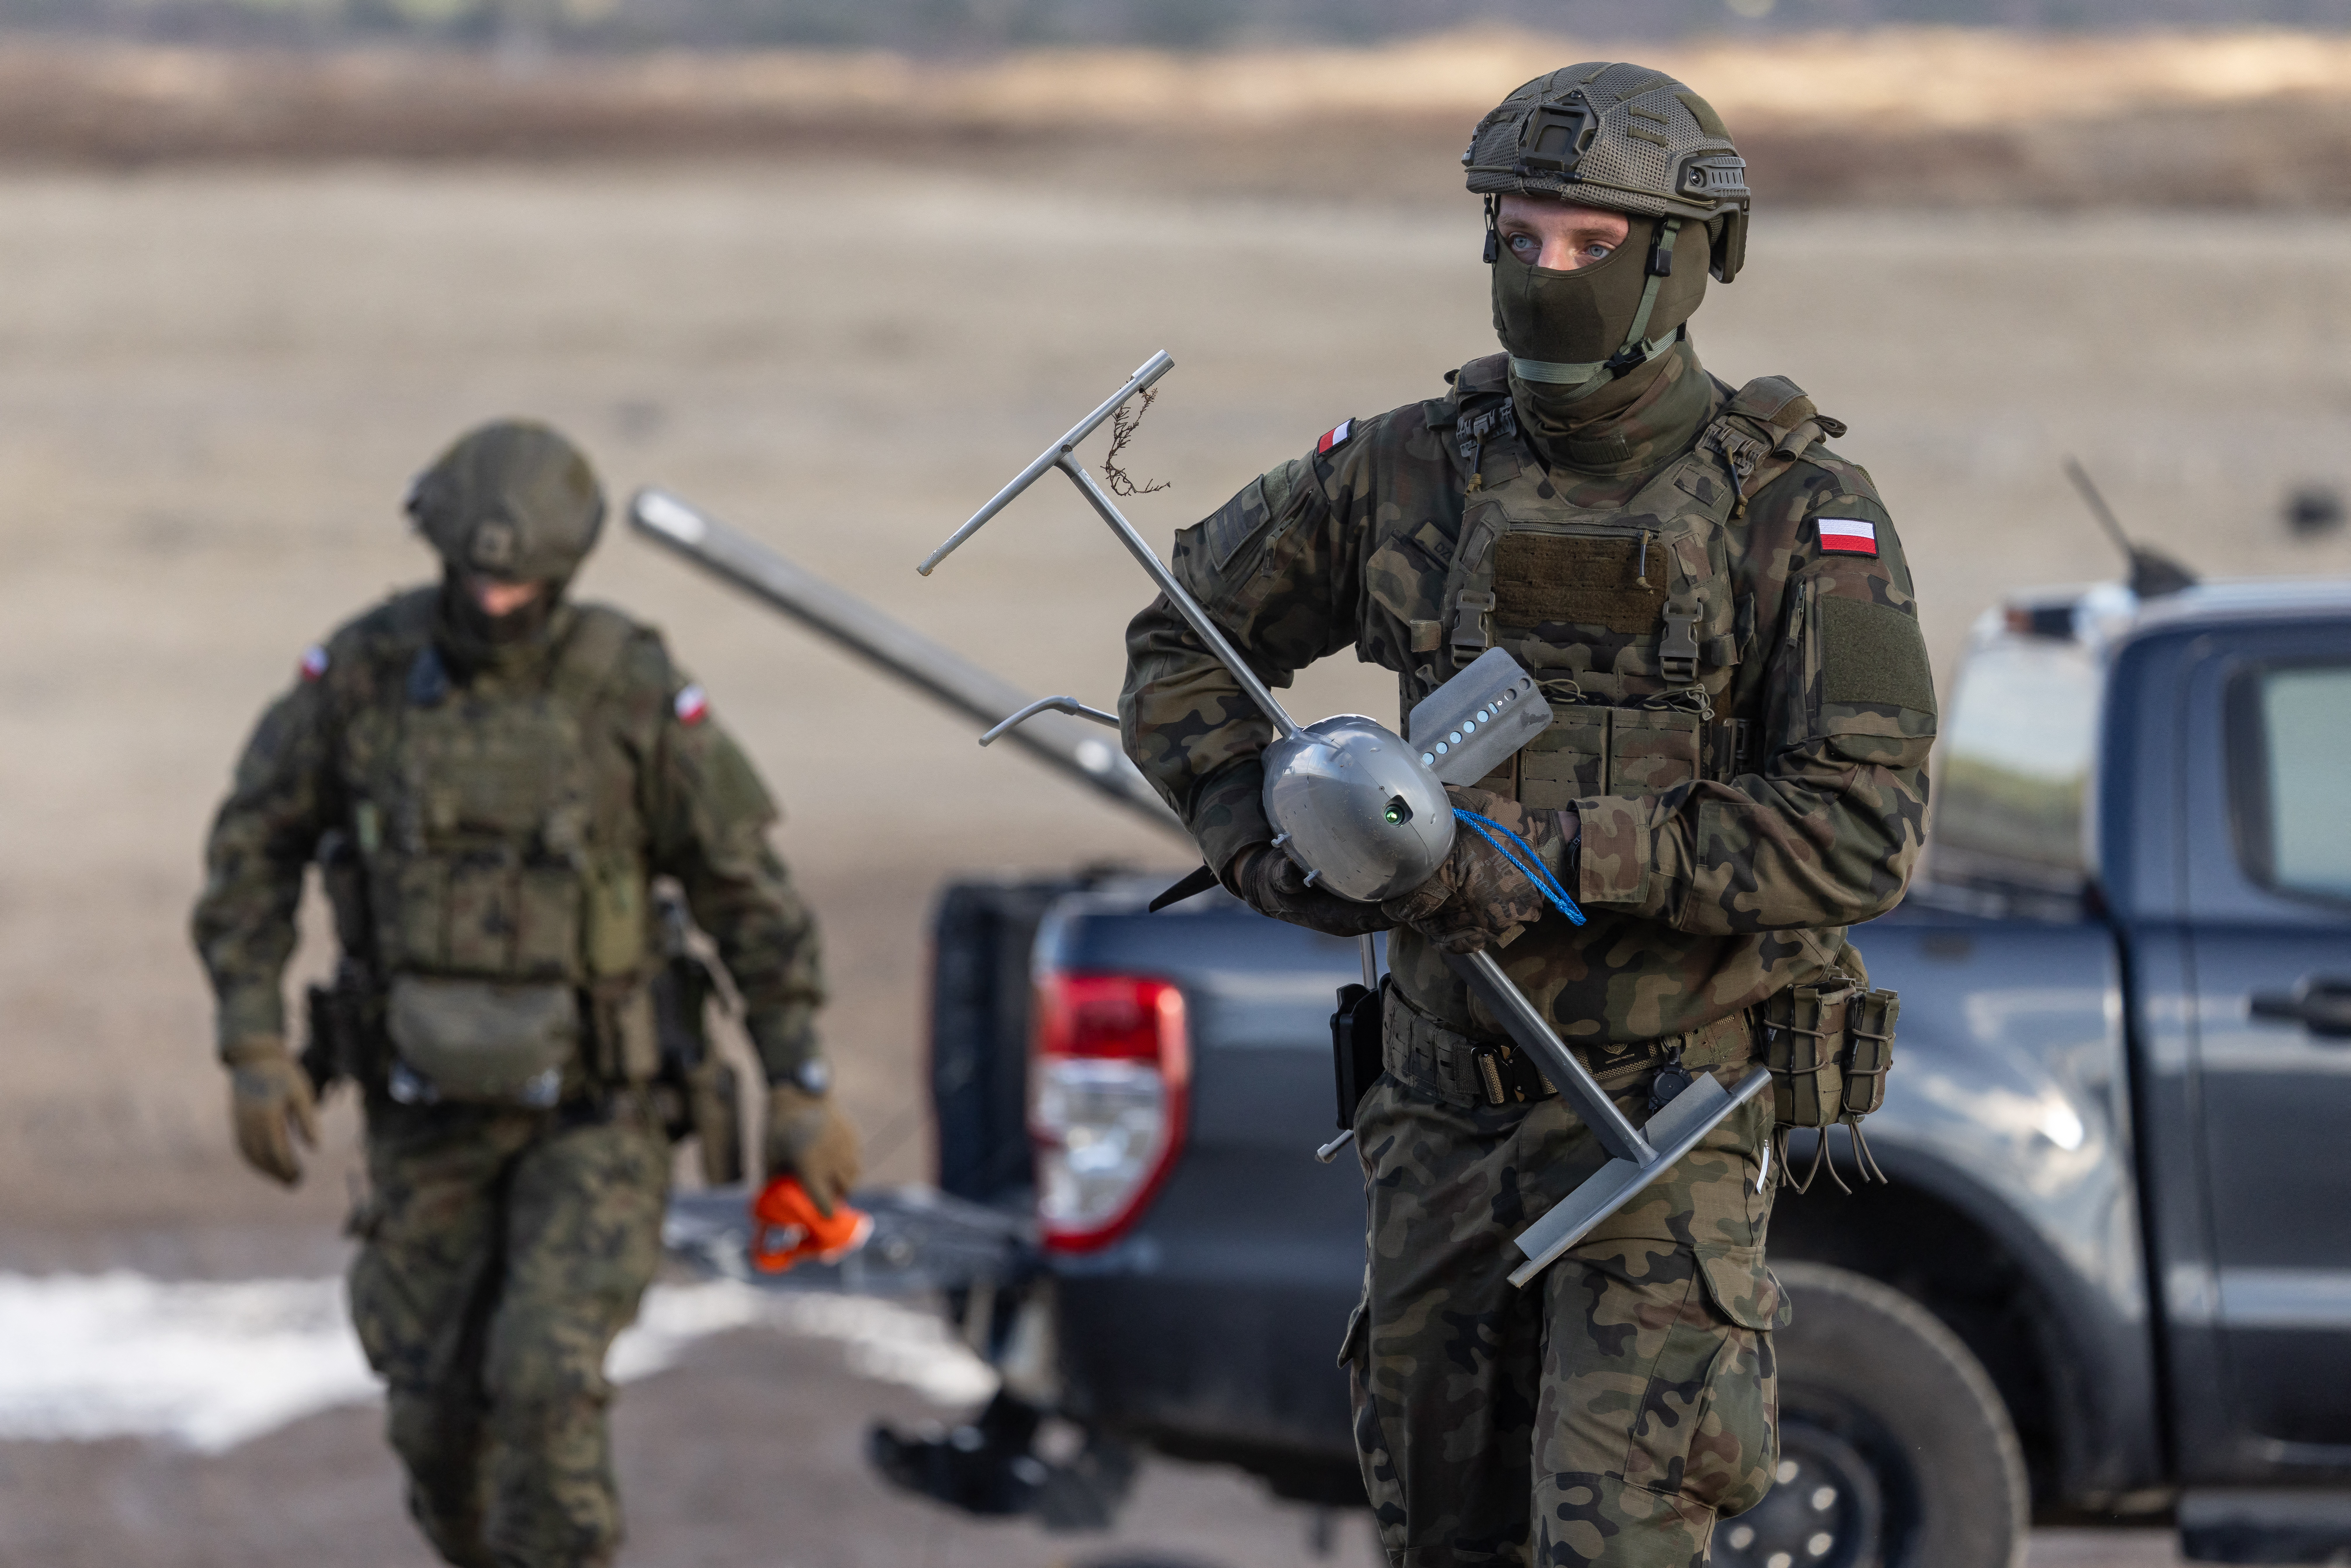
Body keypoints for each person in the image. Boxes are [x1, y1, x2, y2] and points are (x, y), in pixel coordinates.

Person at [1119, 64, 1936, 1567]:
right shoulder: (1401, 470)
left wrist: (1555, 855)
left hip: (1659, 1126)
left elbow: (1862, 827)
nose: (1545, 270)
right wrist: (1280, 843)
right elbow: (1182, 643)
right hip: (1437, 1116)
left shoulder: (1793, 512)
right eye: (1518, 235)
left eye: (1589, 243)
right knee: (1439, 1536)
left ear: (1685, 258)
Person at [191, 420, 857, 1568]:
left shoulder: (629, 689)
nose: (497, 600)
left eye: (523, 582)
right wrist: (253, 1043)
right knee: (436, 1425)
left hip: (598, 1115)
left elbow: (747, 892)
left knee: (545, 1377)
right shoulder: (364, 675)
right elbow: (252, 848)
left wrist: (799, 1079)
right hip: (424, 1112)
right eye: (477, 575)